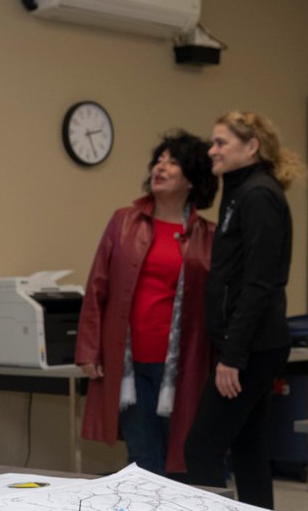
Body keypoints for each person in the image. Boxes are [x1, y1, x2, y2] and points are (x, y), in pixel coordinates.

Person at [75, 131, 218, 476]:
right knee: (143, 460)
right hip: (129, 365)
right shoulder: (123, 222)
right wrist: (89, 351)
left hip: (185, 366)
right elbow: (97, 287)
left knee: (185, 457)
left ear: (192, 179)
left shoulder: (209, 235)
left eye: (172, 162)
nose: (160, 167)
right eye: (159, 160)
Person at [184, 111, 302, 509]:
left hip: (252, 347)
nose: (212, 150)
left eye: (221, 143)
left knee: (201, 447)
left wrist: (232, 355)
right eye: (212, 142)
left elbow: (258, 283)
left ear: (251, 147)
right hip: (251, 344)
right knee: (249, 450)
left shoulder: (258, 196)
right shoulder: (239, 193)